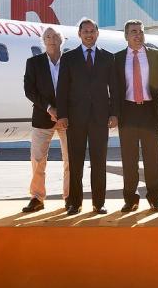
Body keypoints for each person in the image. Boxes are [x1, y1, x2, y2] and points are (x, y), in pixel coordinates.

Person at [56, 18, 118, 215]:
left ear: (97, 33)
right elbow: (62, 89)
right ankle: (75, 203)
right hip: (75, 119)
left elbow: (114, 89)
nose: (89, 34)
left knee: (99, 162)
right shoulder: (68, 58)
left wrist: (114, 113)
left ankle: (99, 203)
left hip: (100, 118)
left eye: (92, 31)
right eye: (85, 31)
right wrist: (63, 115)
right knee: (76, 162)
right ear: (79, 34)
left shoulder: (108, 58)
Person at [114, 20, 158, 213]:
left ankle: (155, 198)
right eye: (133, 32)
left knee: (153, 159)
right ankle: (130, 199)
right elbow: (115, 89)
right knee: (129, 160)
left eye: (141, 32)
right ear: (126, 35)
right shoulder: (117, 59)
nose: (138, 35)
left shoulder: (156, 57)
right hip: (127, 112)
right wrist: (114, 114)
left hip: (150, 111)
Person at [22, 27, 69, 213]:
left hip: (67, 118)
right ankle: (37, 197)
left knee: (70, 160)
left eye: (55, 36)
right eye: (47, 36)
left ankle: (70, 197)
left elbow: (77, 88)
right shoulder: (33, 63)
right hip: (43, 116)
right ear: (43, 40)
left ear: (61, 39)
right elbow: (29, 90)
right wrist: (50, 108)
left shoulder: (70, 61)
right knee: (38, 159)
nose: (51, 39)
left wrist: (63, 112)